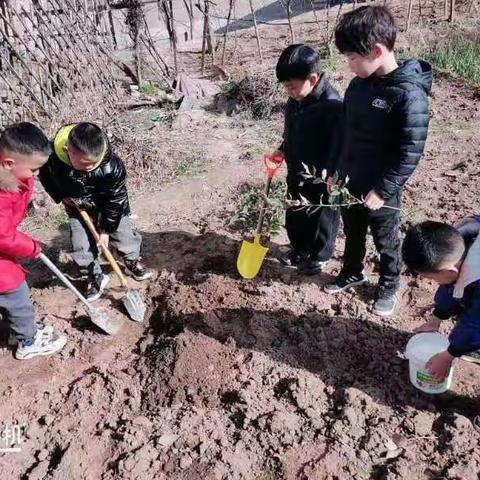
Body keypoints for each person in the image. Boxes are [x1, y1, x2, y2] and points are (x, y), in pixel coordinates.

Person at [324, 6, 433, 316]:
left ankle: (389, 282)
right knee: (353, 229)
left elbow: (409, 151)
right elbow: (346, 131)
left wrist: (384, 189)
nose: (349, 66)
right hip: (351, 179)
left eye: (352, 58)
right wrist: (336, 170)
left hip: (381, 188)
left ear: (377, 50)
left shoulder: (408, 95)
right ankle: (353, 271)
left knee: (385, 238)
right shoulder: (359, 85)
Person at [40, 122, 152, 301]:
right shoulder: (51, 159)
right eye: (85, 164)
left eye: (95, 163)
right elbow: (45, 177)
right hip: (77, 206)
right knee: (80, 242)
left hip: (108, 205)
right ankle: (92, 275)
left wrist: (105, 230)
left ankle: (131, 259)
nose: (91, 167)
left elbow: (116, 200)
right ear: (67, 149)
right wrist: (60, 196)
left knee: (123, 234)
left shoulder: (112, 166)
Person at [402, 216, 480, 431]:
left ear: (450, 271)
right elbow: (451, 288)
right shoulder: (461, 239)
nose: (433, 283)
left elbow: (476, 325)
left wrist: (449, 355)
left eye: (432, 278)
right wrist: (437, 318)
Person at [0, 122, 67, 360]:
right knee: (16, 296)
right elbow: (2, 235)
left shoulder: (11, 173)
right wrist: (31, 247)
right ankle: (28, 342)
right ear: (9, 163)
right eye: (34, 170)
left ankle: (14, 333)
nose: (37, 175)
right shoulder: (1, 194)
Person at [274, 44, 343, 276]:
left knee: (323, 215)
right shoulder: (294, 100)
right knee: (295, 210)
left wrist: (335, 174)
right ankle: (300, 248)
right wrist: (283, 148)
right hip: (296, 168)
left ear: (312, 79)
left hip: (323, 175)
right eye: (285, 87)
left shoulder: (332, 106)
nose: (288, 92)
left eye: (291, 86)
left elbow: (340, 144)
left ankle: (320, 255)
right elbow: (290, 131)